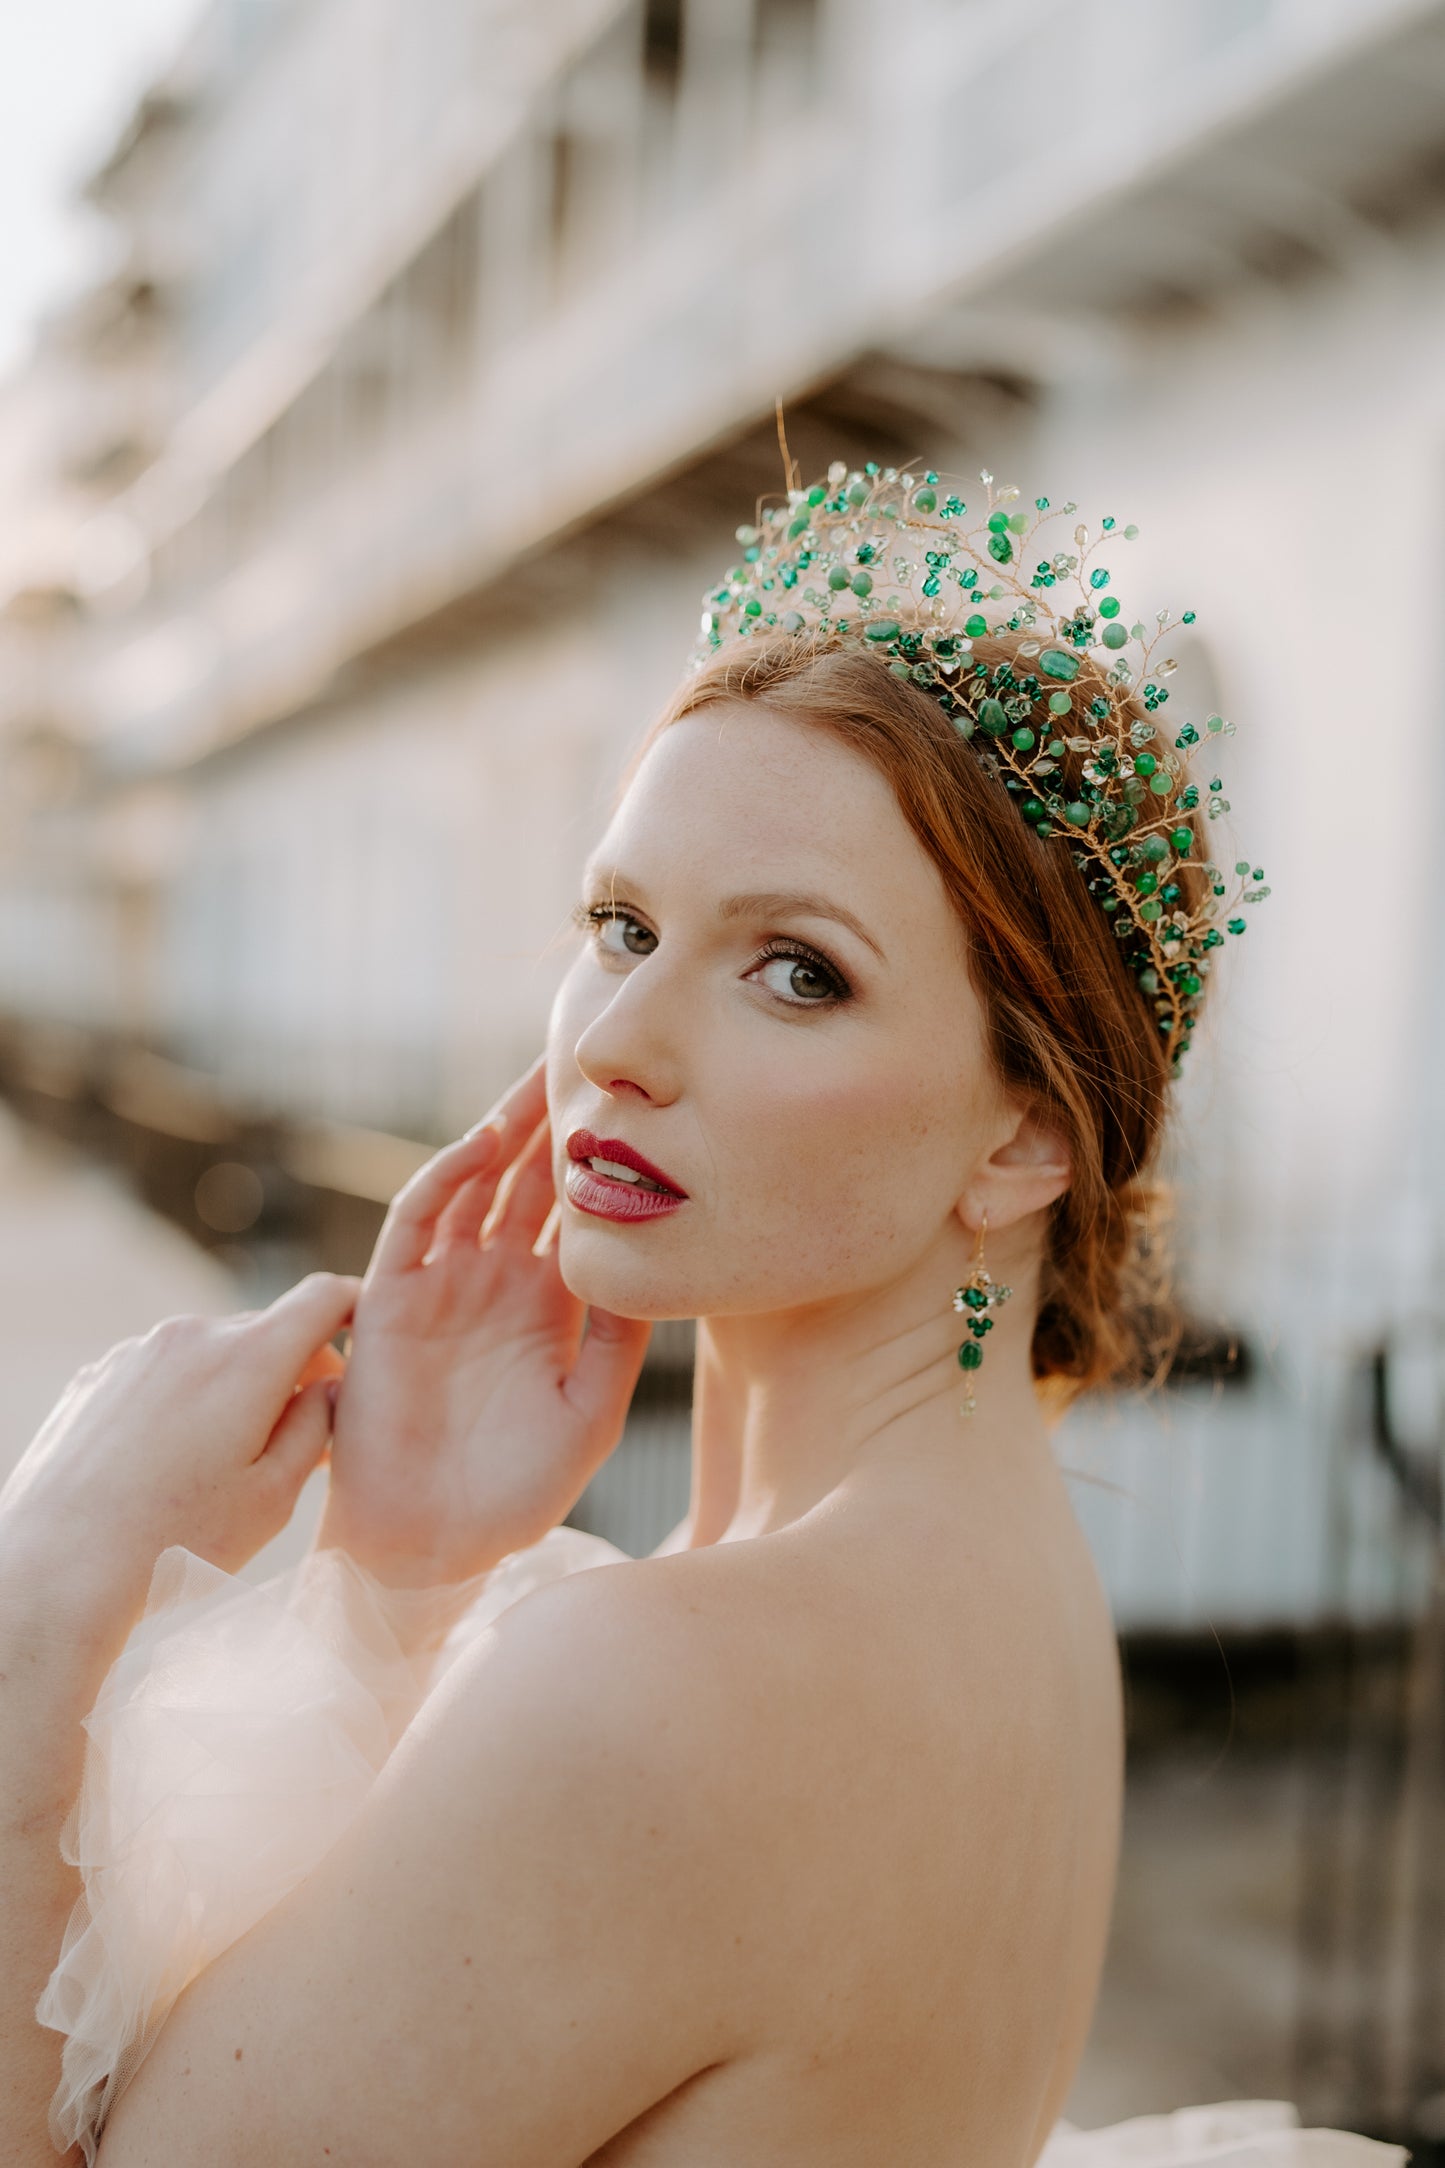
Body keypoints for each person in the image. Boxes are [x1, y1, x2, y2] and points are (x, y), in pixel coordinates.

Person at [0, 466, 1404, 2167]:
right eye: (621, 925)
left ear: (1024, 1132)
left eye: (795, 969)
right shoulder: (1005, 1588)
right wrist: (404, 1571)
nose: (616, 1042)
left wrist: (47, 1605)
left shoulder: (658, 1688)